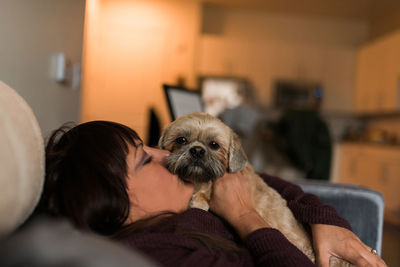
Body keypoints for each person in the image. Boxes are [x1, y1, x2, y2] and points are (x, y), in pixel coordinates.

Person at [35, 121, 386, 267]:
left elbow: (264, 180)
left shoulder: (186, 206)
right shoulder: (167, 252)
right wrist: (246, 216)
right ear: (116, 203)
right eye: (145, 159)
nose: (163, 154)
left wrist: (325, 221)